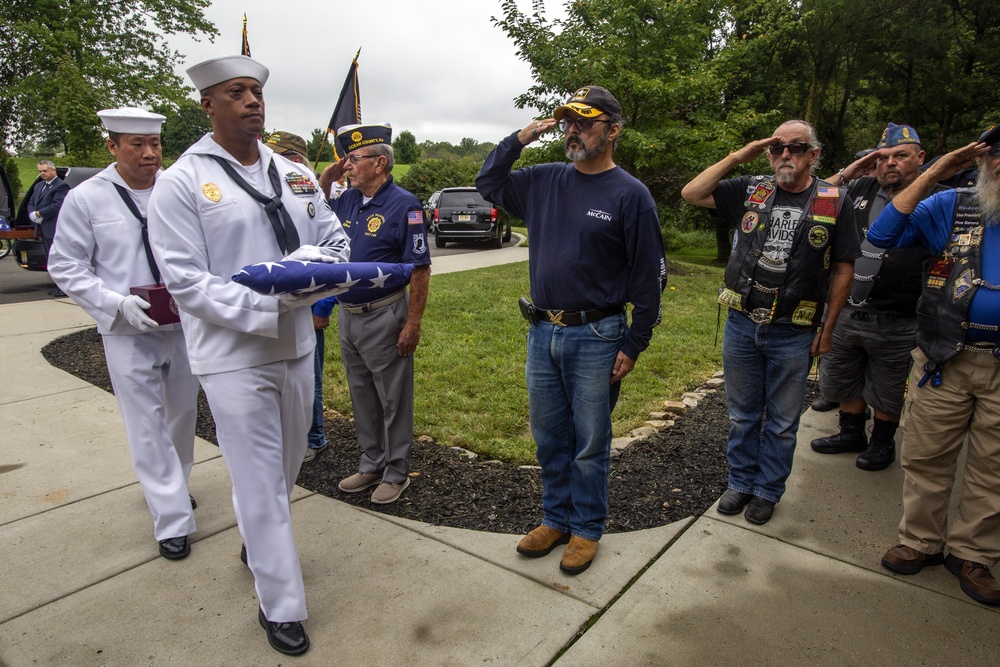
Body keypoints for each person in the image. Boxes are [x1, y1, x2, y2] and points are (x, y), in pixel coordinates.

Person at [147, 55, 350, 656]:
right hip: (233, 352)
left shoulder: (294, 173)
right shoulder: (180, 182)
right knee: (260, 480)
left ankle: (258, 538)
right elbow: (185, 281)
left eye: (257, 91)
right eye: (236, 92)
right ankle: (280, 604)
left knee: (287, 465)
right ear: (208, 104)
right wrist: (271, 301)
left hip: (296, 347)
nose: (252, 101)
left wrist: (317, 276)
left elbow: (333, 236)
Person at [477, 86, 666, 574]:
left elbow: (648, 278)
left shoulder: (631, 195)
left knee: (589, 441)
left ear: (613, 130)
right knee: (549, 436)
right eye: (567, 120)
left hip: (598, 335)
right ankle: (554, 518)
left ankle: (586, 528)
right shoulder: (543, 179)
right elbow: (488, 181)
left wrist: (635, 342)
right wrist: (519, 138)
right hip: (543, 332)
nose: (573, 129)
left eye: (585, 121)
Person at [681, 120, 859, 525]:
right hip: (744, 322)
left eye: (796, 148)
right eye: (777, 148)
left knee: (781, 421)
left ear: (813, 155)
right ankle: (741, 482)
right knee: (743, 414)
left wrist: (828, 329)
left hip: (795, 329)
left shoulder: (835, 199)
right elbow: (692, 193)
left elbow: (845, 267)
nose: (785, 156)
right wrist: (739, 155)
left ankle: (767, 490)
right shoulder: (752, 188)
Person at [47, 107, 200, 561]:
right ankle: (172, 517)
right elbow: (65, 265)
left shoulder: (177, 189)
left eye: (155, 144)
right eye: (137, 144)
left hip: (183, 322)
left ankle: (172, 488)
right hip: (128, 328)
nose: (150, 153)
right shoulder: (87, 198)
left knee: (182, 415)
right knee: (145, 423)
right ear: (112, 146)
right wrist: (113, 302)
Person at [869, 126, 1000, 606]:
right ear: (982, 160)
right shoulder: (953, 204)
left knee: (994, 465)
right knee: (927, 453)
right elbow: (881, 235)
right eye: (996, 155)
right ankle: (920, 540)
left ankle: (973, 554)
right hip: (947, 354)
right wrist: (935, 172)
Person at [810, 123, 939, 471]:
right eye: (883, 157)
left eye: (901, 156)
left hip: (898, 314)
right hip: (848, 309)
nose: (890, 163)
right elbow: (813, 195)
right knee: (841, 375)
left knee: (888, 381)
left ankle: (882, 442)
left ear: (920, 158)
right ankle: (850, 432)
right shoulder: (861, 188)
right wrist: (850, 171)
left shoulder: (938, 197)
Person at [317, 123, 430, 504]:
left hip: (384, 313)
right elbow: (311, 220)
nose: (347, 165)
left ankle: (397, 472)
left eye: (353, 158)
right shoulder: (347, 199)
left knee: (393, 397)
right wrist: (325, 179)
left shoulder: (405, 205)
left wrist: (412, 323)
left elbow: (420, 268)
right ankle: (371, 463)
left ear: (379, 162)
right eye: (346, 159)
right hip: (349, 312)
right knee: (361, 393)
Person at [264, 129, 337, 462]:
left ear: (294, 159)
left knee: (309, 376)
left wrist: (321, 305)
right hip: (275, 303)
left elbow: (330, 253)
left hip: (308, 305)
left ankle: (313, 435)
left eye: (277, 154)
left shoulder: (302, 187)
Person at [26, 159, 71, 295]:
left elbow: (58, 205)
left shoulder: (61, 186)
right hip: (44, 228)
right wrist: (32, 214)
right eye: (40, 171)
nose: (42, 174)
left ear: (53, 170)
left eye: (45, 171)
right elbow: (32, 202)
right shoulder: (39, 186)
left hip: (55, 227)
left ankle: (64, 287)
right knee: (50, 259)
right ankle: (58, 285)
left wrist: (40, 214)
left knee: (59, 259)